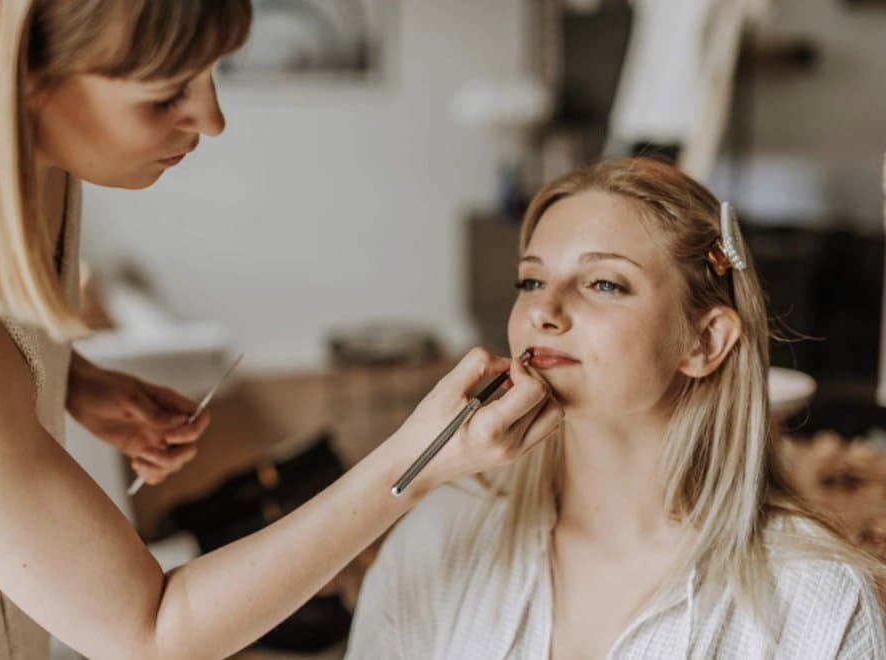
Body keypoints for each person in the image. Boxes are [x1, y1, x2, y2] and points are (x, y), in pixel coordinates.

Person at [0, 2, 562, 658]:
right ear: (21, 85)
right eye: (166, 94)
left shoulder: (41, 167)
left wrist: (67, 382)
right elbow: (148, 634)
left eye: (213, 72)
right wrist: (417, 460)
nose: (212, 120)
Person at [346, 158, 886, 659]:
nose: (543, 310)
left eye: (604, 283)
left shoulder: (820, 604)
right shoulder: (441, 533)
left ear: (705, 342)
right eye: (531, 280)